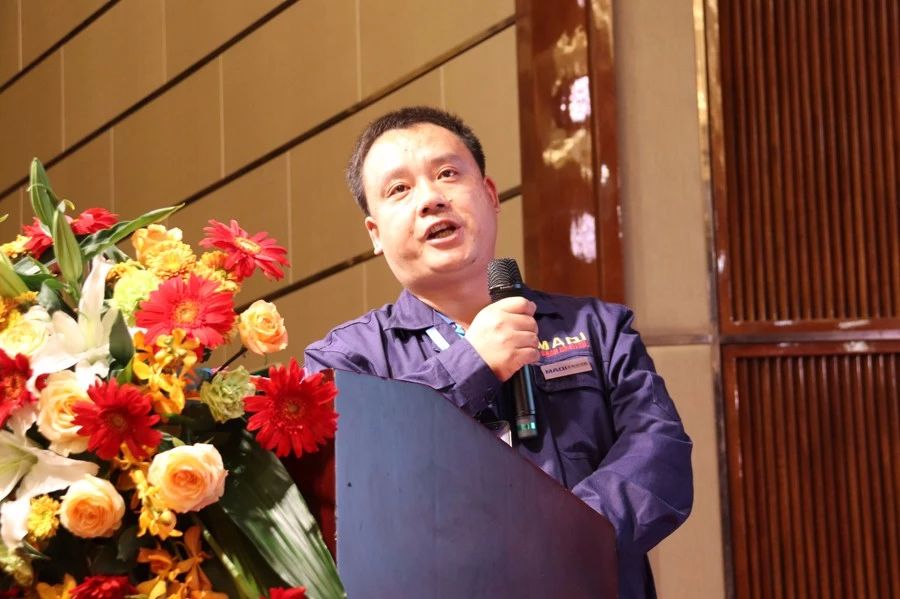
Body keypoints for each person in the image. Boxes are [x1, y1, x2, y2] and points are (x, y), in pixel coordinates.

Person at [303, 106, 693, 599]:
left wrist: (560, 539)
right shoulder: (342, 361)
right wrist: (471, 364)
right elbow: (358, 488)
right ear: (375, 233)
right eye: (399, 189)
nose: (430, 199)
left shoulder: (599, 329)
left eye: (448, 174)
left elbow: (660, 455)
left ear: (489, 195)